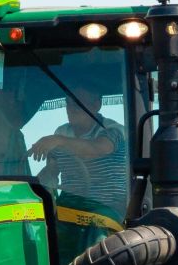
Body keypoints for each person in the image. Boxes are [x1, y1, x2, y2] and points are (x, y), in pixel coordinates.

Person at [26, 76, 129, 221]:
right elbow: (52, 170)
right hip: (72, 208)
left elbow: (99, 148)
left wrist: (57, 141)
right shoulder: (62, 132)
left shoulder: (112, 129)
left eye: (77, 103)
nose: (71, 108)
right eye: (68, 103)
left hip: (109, 212)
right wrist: (32, 184)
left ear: (96, 105)